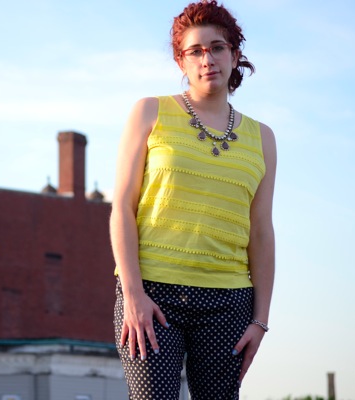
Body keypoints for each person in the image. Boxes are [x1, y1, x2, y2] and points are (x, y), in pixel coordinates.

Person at [110, 1, 277, 399]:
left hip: (229, 302)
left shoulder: (262, 138)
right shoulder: (150, 112)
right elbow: (122, 209)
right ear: (180, 61)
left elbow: (260, 231)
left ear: (234, 54)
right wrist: (133, 295)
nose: (208, 59)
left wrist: (260, 321)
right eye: (196, 51)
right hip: (152, 294)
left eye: (217, 47)